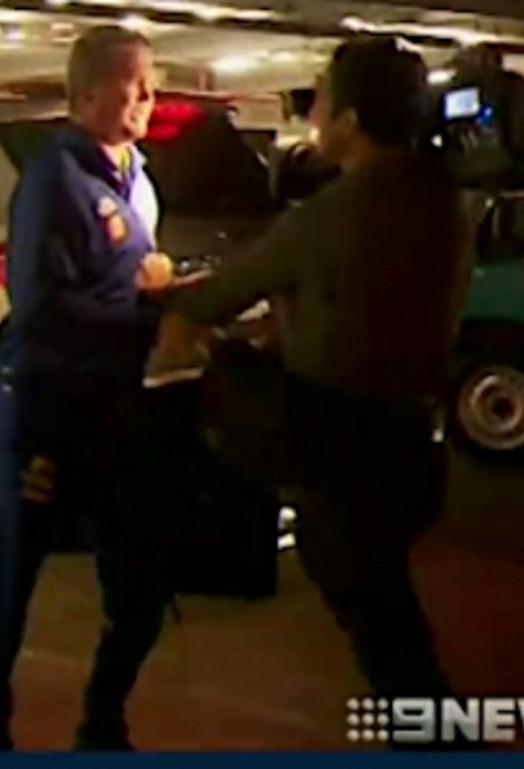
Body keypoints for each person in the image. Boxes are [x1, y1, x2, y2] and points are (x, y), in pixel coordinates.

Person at [159, 37, 472, 728]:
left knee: (389, 638)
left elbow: (232, 287)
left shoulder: (340, 209)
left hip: (342, 448)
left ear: (352, 121)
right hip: (413, 439)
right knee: (391, 623)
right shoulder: (441, 201)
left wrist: (173, 306)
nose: (315, 118)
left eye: (323, 102)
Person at [0, 25, 180, 751]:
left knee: (142, 574)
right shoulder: (54, 181)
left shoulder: (137, 179)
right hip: (42, 407)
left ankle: (103, 716)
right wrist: (144, 319)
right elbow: (41, 307)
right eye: (133, 83)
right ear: (86, 93)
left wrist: (170, 296)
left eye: (152, 82)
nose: (149, 97)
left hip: (114, 407)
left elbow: (129, 284)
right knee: (11, 576)